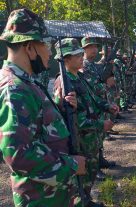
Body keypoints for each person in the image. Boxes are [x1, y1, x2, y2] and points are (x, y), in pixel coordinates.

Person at [0, 9, 86, 207]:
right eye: (45, 45)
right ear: (29, 47)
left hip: (54, 194)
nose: (49, 52)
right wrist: (71, 165)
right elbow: (18, 154)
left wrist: (61, 109)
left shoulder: (26, 82)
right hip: (41, 198)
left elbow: (37, 126)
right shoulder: (14, 89)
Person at [53, 38, 116, 207]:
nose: (81, 57)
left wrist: (107, 105)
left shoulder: (79, 76)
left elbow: (92, 98)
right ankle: (82, 202)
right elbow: (70, 118)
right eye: (76, 55)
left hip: (90, 137)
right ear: (66, 59)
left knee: (91, 171)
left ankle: (86, 200)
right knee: (82, 176)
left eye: (81, 53)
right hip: (81, 139)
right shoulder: (64, 82)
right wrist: (100, 125)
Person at [79, 37, 117, 180]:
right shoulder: (83, 65)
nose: (94, 49)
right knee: (92, 138)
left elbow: (102, 79)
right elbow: (93, 84)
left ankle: (100, 161)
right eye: (90, 47)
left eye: (95, 46)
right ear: (84, 49)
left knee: (99, 136)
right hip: (91, 104)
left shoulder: (94, 64)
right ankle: (94, 168)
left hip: (99, 103)